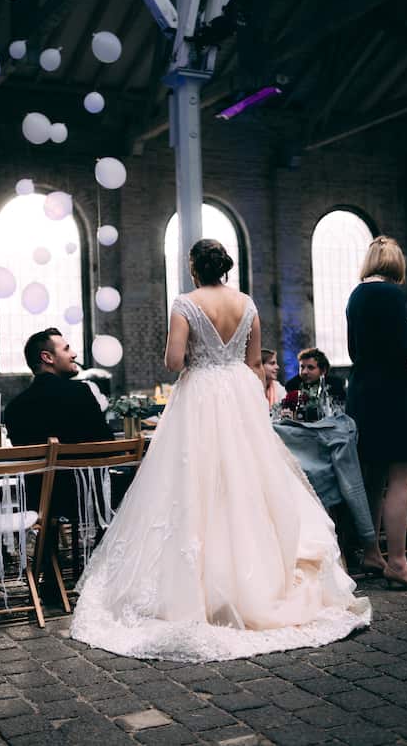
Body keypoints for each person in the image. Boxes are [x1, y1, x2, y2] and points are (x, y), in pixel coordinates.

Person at [70, 239, 370, 662]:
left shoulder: (186, 303)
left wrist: (190, 349)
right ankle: (259, 575)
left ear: (194, 268)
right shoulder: (247, 304)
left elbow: (174, 361)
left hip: (200, 396)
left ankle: (202, 583)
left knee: (193, 483)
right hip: (239, 394)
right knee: (247, 482)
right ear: (225, 267)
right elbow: (254, 362)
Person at [346, 235, 407, 589]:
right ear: (395, 264)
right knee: (401, 476)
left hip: (362, 394)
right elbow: (406, 349)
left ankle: (372, 553)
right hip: (393, 394)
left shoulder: (356, 295)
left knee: (373, 477)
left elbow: (354, 349)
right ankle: (399, 563)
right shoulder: (391, 294)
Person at [4, 327, 113, 518]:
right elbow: (107, 444)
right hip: (86, 500)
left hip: (38, 505)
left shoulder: (14, 408)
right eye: (66, 349)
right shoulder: (80, 392)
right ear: (48, 357)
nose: (74, 354)